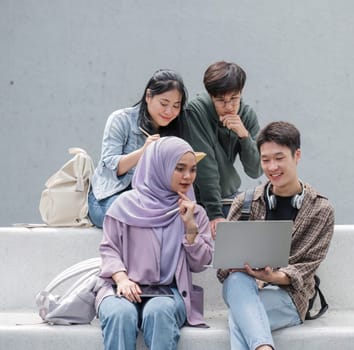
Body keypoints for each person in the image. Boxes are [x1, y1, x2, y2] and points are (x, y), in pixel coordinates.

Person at [217, 121, 335, 350]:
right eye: (265, 160)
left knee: (240, 319)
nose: (272, 167)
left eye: (279, 158)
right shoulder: (244, 204)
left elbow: (305, 268)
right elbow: (223, 269)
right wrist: (240, 266)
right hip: (244, 287)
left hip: (290, 296)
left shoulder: (320, 210)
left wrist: (271, 277)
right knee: (237, 280)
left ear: (296, 155)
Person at [95, 136, 213, 350]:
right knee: (120, 314)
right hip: (120, 287)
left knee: (159, 312)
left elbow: (200, 264)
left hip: (168, 292)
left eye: (193, 169)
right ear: (159, 166)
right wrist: (122, 280)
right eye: (179, 168)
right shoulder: (124, 206)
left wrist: (191, 229)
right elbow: (108, 249)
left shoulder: (194, 213)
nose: (188, 176)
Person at [88, 69, 188, 228]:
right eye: (164, 103)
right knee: (138, 215)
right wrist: (144, 152)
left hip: (150, 200)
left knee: (185, 215)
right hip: (109, 197)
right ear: (148, 96)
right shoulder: (121, 119)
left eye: (176, 106)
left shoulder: (176, 129)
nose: (169, 111)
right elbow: (110, 166)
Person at [183, 61, 262, 235]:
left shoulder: (246, 114)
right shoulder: (196, 111)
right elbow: (205, 164)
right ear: (211, 96)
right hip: (198, 198)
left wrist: (244, 136)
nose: (228, 107)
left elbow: (256, 170)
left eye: (234, 98)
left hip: (228, 195)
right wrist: (215, 214)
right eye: (221, 100)